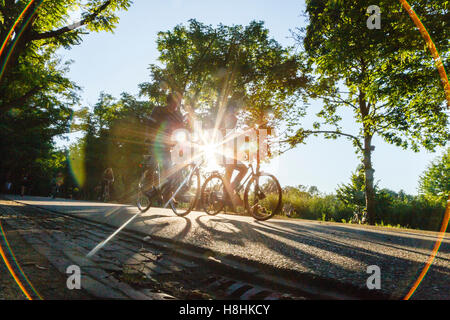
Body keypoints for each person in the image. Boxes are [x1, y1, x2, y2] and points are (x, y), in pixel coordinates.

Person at [144, 92, 186, 201]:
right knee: (154, 162)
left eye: (177, 103)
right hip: (155, 141)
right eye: (173, 102)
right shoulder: (158, 110)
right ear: (168, 101)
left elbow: (182, 129)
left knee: (168, 169)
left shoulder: (178, 115)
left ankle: (167, 194)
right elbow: (150, 123)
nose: (175, 105)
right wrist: (150, 137)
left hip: (168, 143)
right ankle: (148, 188)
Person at [219, 103, 248, 207]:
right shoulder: (227, 121)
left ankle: (230, 188)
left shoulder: (235, 125)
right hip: (222, 152)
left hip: (230, 153)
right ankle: (225, 193)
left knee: (244, 169)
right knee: (230, 164)